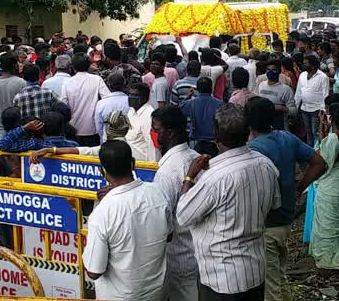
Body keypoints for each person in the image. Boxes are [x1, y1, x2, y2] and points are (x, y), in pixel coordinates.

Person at [177, 104, 281, 300]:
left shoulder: (214, 177)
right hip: (255, 270)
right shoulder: (266, 165)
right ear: (248, 132)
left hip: (222, 278)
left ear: (216, 137)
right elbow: (274, 206)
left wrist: (190, 176)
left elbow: (183, 216)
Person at [246, 97, 326, 301]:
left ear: (248, 121)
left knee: (270, 286)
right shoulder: (286, 138)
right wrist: (300, 188)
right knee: (280, 276)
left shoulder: (253, 149)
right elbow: (318, 162)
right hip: (286, 219)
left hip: (267, 224)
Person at [82, 140, 171, 301]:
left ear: (102, 171)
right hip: (157, 292)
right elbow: (169, 235)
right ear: (133, 164)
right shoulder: (157, 192)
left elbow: (94, 271)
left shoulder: (103, 212)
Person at [149, 106, 200, 301]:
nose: (153, 134)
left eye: (156, 130)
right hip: (196, 252)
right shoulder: (195, 157)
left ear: (170, 133)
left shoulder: (168, 171)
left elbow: (164, 224)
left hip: (179, 257)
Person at [309, 103, 339, 270]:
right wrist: (324, 128)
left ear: (332, 118)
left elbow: (322, 158)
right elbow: (328, 147)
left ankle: (329, 260)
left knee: (328, 224)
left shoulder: (333, 139)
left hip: (331, 184)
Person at [61, 53, 111, 146]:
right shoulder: (97, 79)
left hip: (73, 129)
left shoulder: (67, 83)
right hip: (93, 128)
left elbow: (63, 105)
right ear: (89, 65)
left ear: (72, 67)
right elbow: (108, 99)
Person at [0, 110, 78, 153]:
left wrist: (24, 128)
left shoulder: (37, 144)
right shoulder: (73, 146)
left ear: (42, 128)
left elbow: (1, 145)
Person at [180, 77, 223, 156]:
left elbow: (181, 108)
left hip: (196, 141)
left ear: (198, 89)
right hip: (214, 142)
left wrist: (187, 97)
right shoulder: (220, 104)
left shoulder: (191, 103)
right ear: (211, 88)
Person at [296, 54, 329, 146]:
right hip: (304, 109)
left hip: (316, 110)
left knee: (316, 132)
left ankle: (317, 150)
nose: (303, 65)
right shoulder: (302, 75)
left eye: (305, 64)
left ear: (312, 65)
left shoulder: (322, 77)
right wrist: (296, 106)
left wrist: (322, 112)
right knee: (308, 132)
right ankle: (310, 150)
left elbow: (325, 95)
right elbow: (299, 92)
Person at [256, 59, 296, 131]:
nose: (270, 72)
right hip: (263, 127)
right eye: (268, 70)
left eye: (274, 70)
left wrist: (282, 108)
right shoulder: (261, 85)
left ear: (279, 72)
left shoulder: (286, 90)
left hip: (280, 128)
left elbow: (294, 111)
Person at [126, 83, 158, 162]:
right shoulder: (131, 111)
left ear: (144, 98)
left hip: (142, 163)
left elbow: (152, 146)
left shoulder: (149, 115)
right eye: (129, 94)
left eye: (134, 95)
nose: (130, 97)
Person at [93, 73, 129, 142]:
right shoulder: (130, 101)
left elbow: (98, 126)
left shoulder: (101, 103)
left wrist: (103, 136)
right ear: (124, 84)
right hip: (127, 140)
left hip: (107, 140)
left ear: (108, 85)